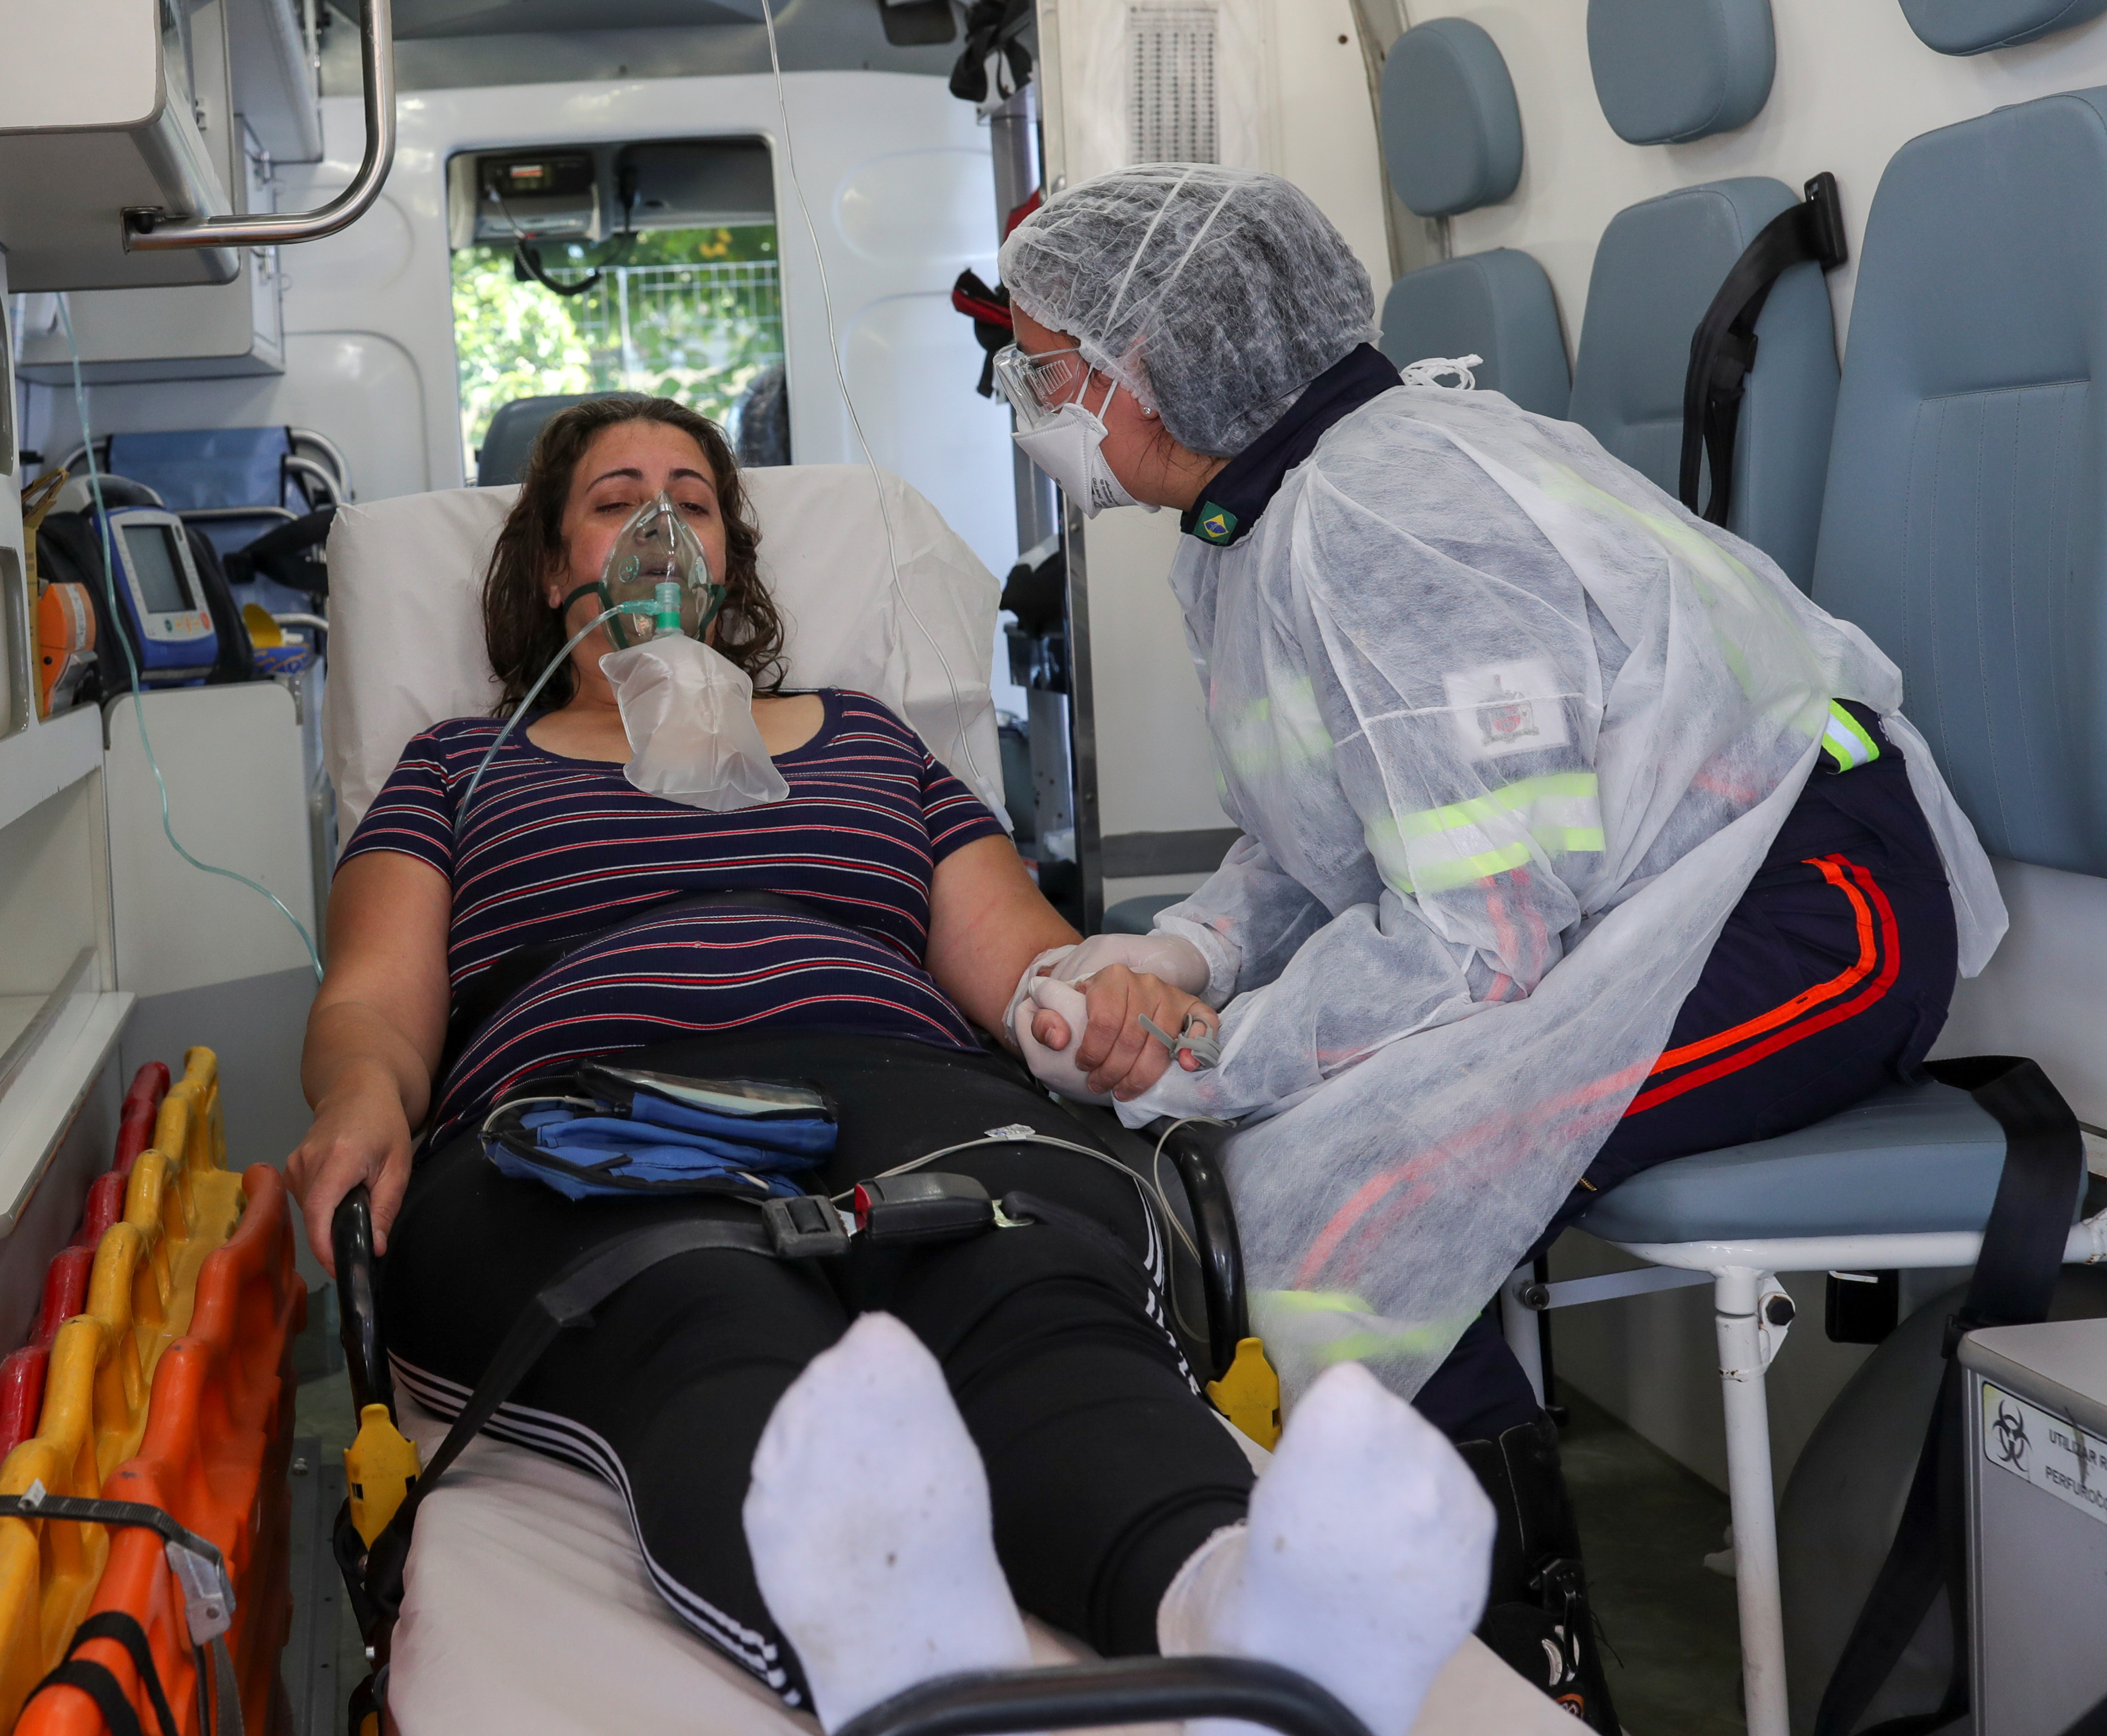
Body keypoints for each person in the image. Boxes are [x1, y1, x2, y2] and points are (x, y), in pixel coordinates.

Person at [284, 393, 1496, 1735]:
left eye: (691, 500)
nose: (661, 529)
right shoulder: (460, 766)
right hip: (587, 1121)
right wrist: (357, 1098)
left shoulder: (866, 740)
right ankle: (895, 1655)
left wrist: (1098, 1008)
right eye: (617, 500)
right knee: (705, 1310)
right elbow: (376, 1009)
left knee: (1028, 1284)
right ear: (550, 563)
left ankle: (1235, 1608)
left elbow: (1030, 965)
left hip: (910, 1091)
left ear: (733, 558)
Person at [989, 164, 2005, 1728]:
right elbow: (1325, 833)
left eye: (1051, 368)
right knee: (1289, 1164)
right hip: (1640, 909)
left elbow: (1480, 947)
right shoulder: (1245, 529)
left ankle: (1510, 1678)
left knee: (1376, 1190)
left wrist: (1211, 1055)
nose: (1035, 401)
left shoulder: (1398, 512)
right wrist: (1183, 961)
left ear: (1160, 363)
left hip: (1815, 910)